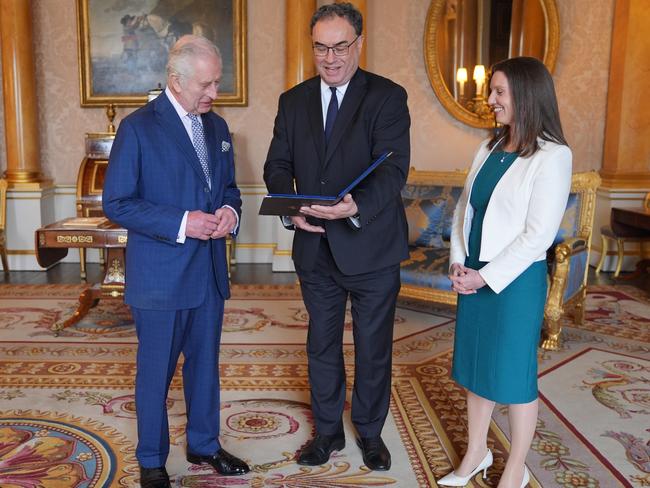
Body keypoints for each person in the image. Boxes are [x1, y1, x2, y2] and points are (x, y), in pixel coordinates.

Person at [263, 2, 410, 472]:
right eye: (321, 47)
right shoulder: (293, 100)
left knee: (373, 348)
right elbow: (276, 165)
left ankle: (370, 434)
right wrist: (291, 207)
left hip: (372, 245)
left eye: (340, 46)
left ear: (359, 44)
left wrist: (356, 206)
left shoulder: (387, 97)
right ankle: (327, 434)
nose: (330, 57)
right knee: (321, 346)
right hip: (315, 247)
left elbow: (392, 170)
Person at [103, 35, 249, 488]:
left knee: (205, 365)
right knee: (156, 372)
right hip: (160, 279)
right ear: (176, 80)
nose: (214, 93)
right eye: (206, 84)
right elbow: (118, 203)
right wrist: (184, 221)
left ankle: (204, 444)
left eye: (217, 82)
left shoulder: (220, 128)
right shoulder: (138, 128)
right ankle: (151, 459)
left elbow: (228, 190)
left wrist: (230, 212)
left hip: (208, 272)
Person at [440, 57, 572, 488]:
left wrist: (486, 276)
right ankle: (476, 452)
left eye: (499, 92)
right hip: (473, 275)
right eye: (492, 91)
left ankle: (516, 466)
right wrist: (460, 261)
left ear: (527, 96)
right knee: (477, 368)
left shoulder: (553, 156)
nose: (491, 100)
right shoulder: (490, 147)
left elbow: (539, 236)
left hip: (514, 283)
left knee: (514, 375)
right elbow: (466, 208)